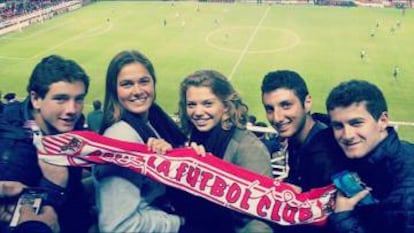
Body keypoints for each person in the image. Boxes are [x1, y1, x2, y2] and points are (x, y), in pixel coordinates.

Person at [93, 50, 187, 233]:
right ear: (114, 90)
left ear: (153, 83)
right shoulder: (120, 138)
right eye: (127, 84)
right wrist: (181, 223)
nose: (137, 91)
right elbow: (118, 227)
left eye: (144, 81)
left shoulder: (153, 121)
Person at [0, 54, 93, 233]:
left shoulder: (67, 121)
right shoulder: (12, 155)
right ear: (36, 99)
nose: (72, 109)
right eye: (61, 99)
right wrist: (55, 186)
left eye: (79, 99)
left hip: (78, 210)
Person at [175, 69, 273, 233]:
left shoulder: (248, 148)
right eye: (191, 104)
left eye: (207, 104)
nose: (198, 112)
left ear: (226, 108)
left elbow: (261, 218)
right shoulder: (192, 140)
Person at [261, 70, 348, 233]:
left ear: (307, 103)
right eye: (270, 109)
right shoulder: (299, 138)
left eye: (286, 105)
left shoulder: (326, 155)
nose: (277, 118)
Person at [325, 80, 414, 233]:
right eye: (338, 126)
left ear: (383, 121)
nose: (347, 135)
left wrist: (343, 216)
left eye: (356, 123)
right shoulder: (368, 156)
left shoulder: (407, 192)